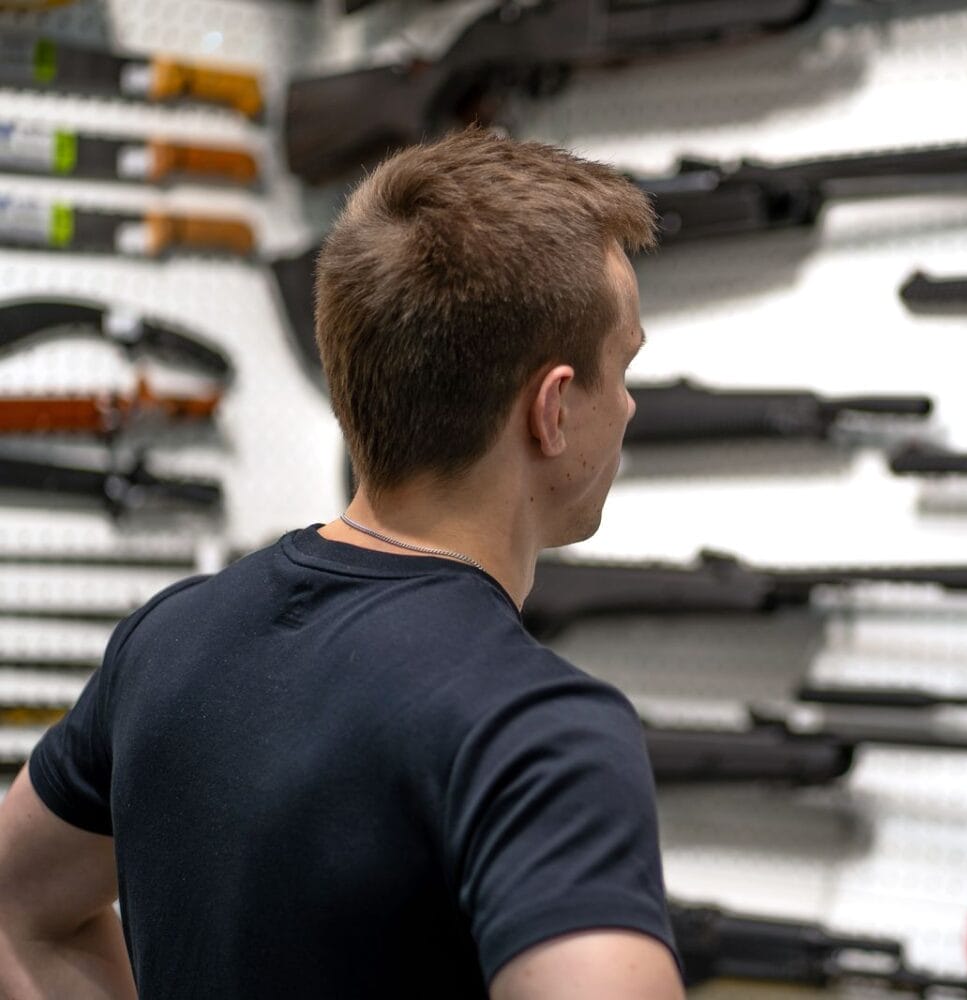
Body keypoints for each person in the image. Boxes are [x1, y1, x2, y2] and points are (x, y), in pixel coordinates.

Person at [0, 129, 685, 1000]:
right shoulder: (537, 734)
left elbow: (21, 912)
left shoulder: (166, 643)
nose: (626, 404)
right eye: (622, 365)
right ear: (551, 410)